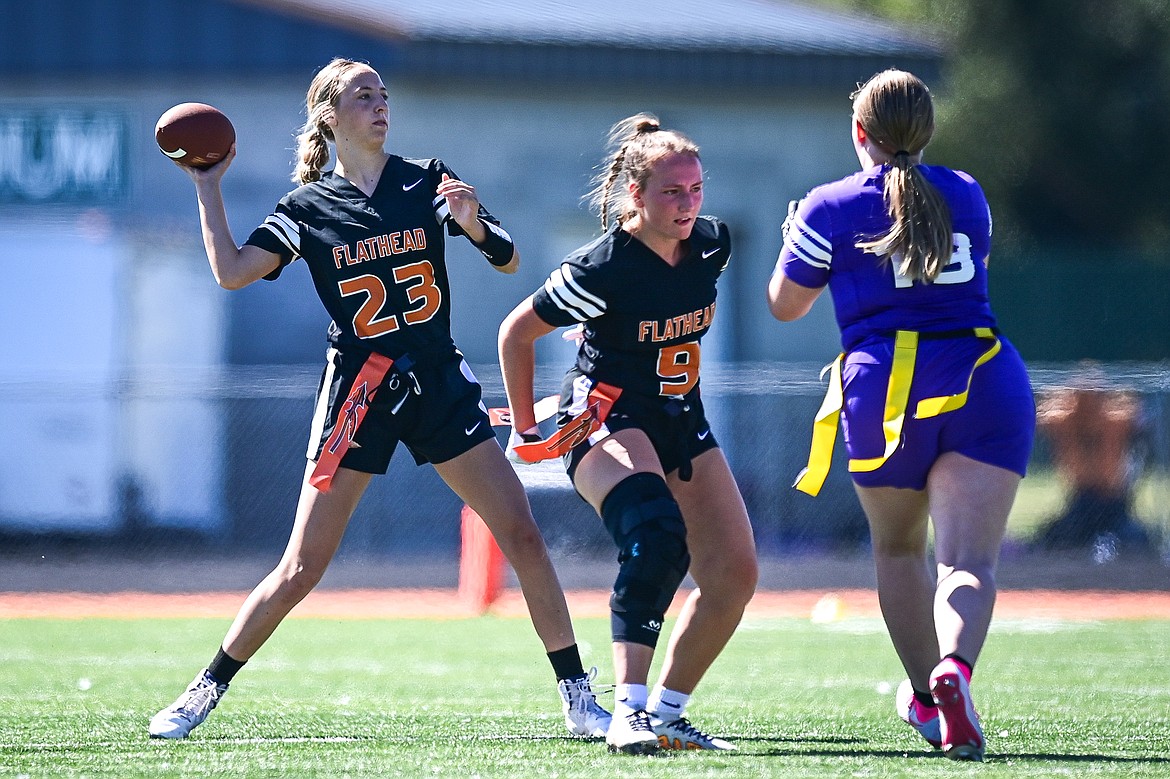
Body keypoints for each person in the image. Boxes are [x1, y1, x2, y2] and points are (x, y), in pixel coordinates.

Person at [148, 58, 609, 741]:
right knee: (302, 565)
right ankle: (201, 691)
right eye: (363, 95)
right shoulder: (307, 208)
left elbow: (509, 258)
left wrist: (474, 224)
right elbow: (232, 272)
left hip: (436, 380)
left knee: (521, 533)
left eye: (384, 94)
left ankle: (578, 696)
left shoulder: (426, 179)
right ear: (330, 115)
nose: (380, 104)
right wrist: (208, 186)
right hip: (359, 391)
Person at [767, 69, 1036, 762]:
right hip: (981, 377)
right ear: (928, 128)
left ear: (859, 132)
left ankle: (926, 695)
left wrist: (793, 232)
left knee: (897, 550)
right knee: (968, 561)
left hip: (885, 388)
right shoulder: (967, 191)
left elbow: (784, 303)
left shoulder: (830, 205)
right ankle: (957, 670)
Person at [498, 114, 758, 754]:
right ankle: (628, 710)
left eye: (695, 189)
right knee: (655, 535)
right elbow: (515, 332)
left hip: (679, 417)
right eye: (672, 192)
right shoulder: (603, 267)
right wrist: (528, 426)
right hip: (604, 415)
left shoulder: (712, 244)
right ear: (636, 195)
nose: (688, 204)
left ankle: (669, 710)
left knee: (733, 573)